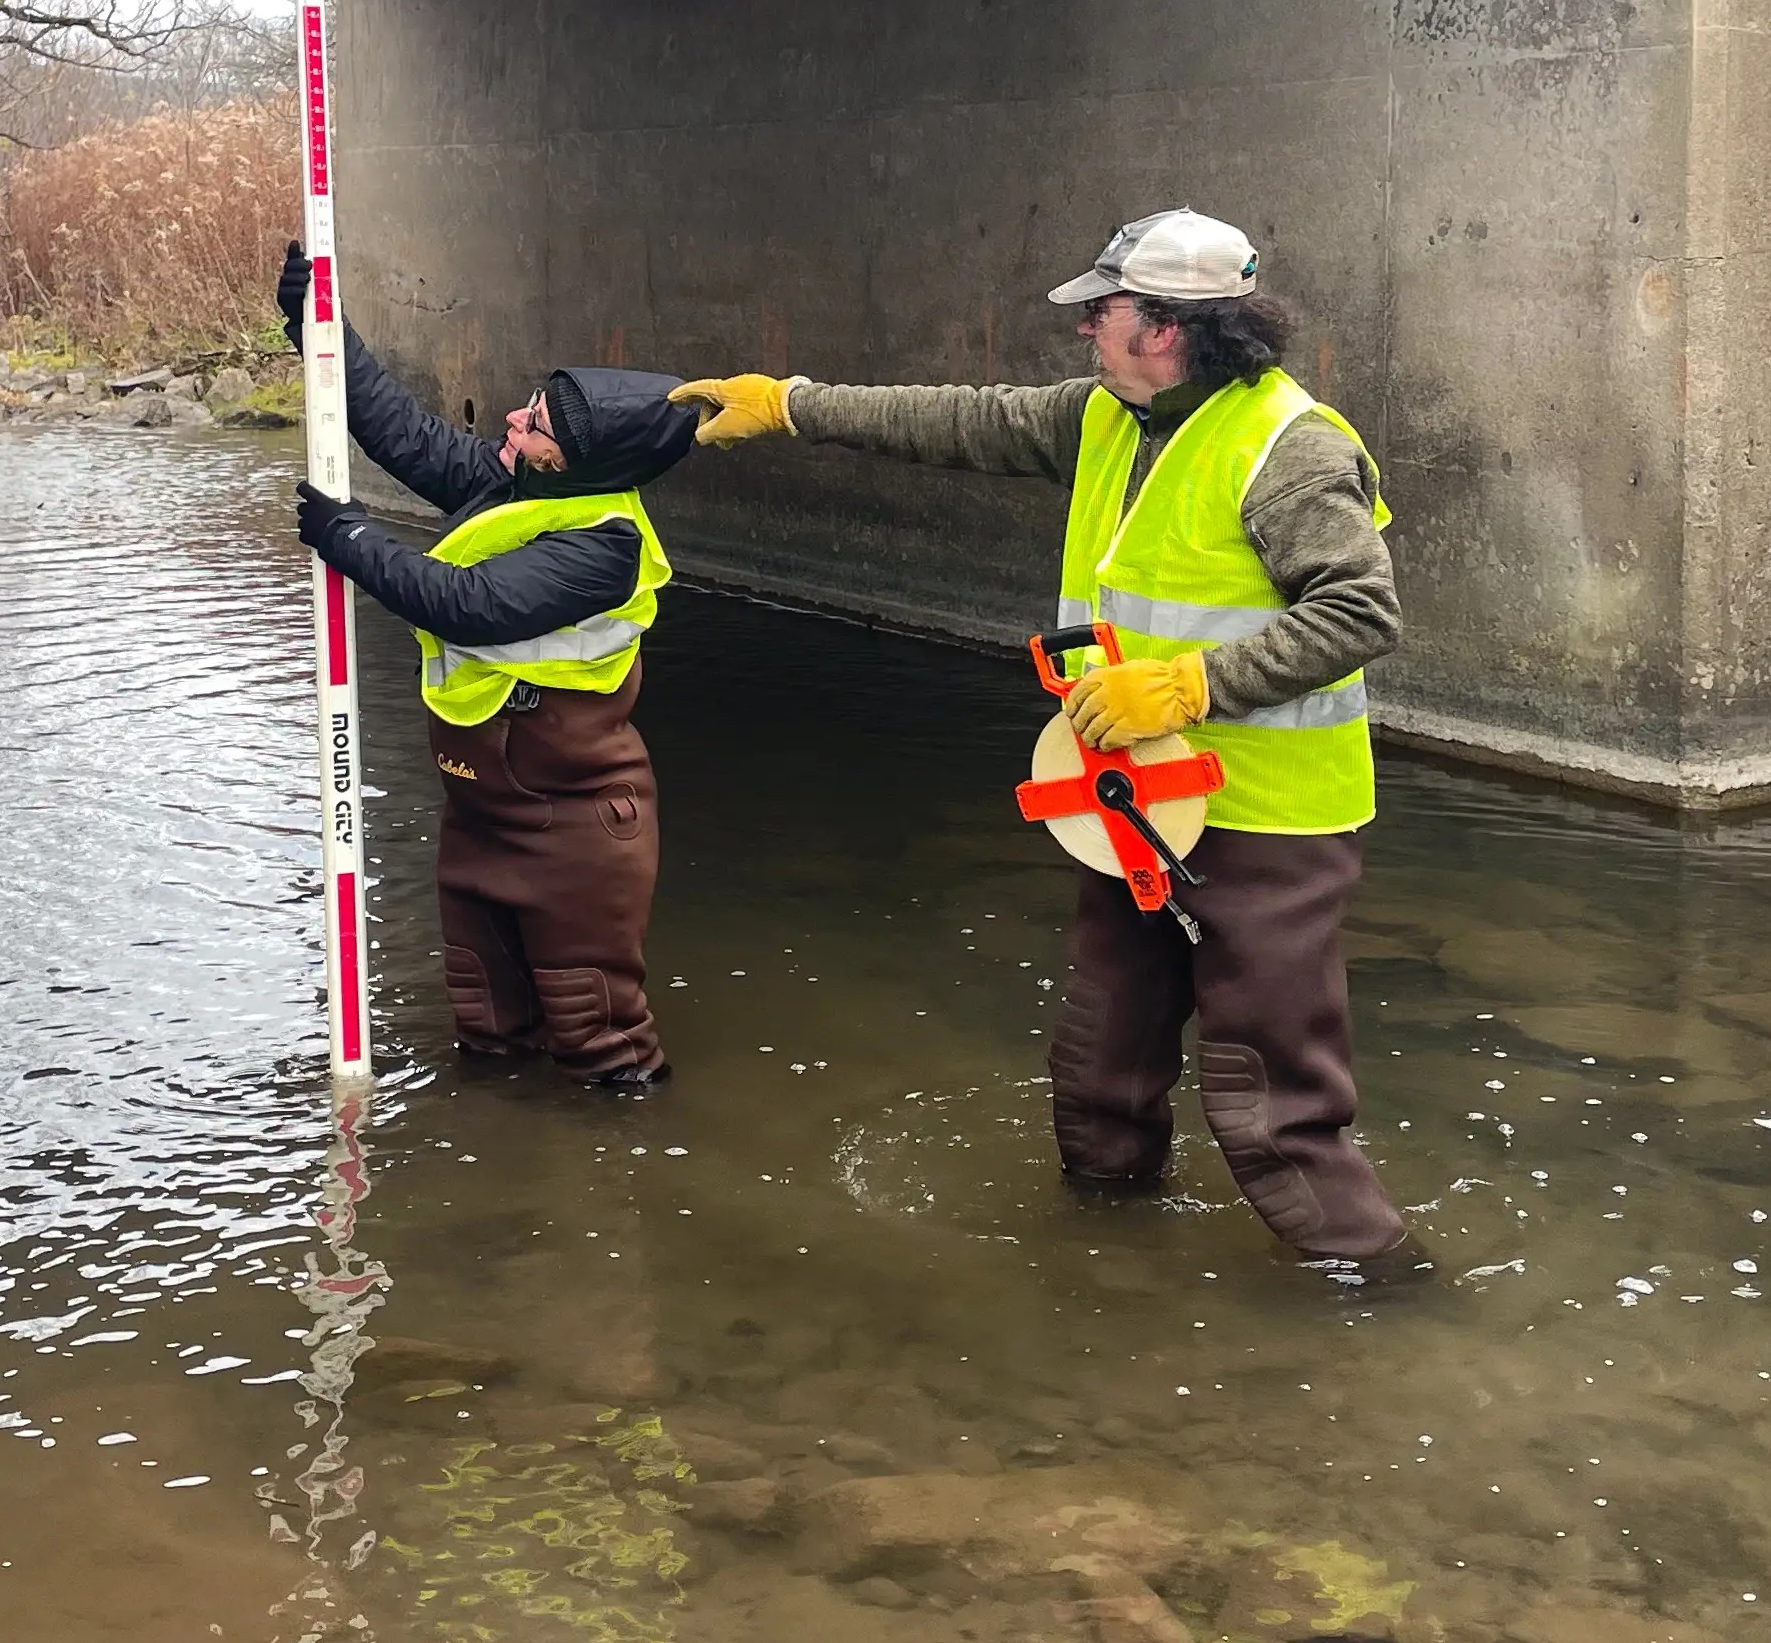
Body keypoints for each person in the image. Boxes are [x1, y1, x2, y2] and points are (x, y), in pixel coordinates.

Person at [680, 210, 1427, 1285]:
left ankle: (1392, 1304)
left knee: (1271, 1106)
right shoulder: (1109, 417)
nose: (1084, 328)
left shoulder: (1290, 448)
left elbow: (1361, 611)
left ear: (1166, 327)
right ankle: (1104, 1282)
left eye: (1102, 310)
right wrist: (790, 406)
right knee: (1097, 1070)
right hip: (1129, 808)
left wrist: (1189, 682)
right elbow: (954, 420)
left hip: (1267, 823)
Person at [278, 244, 700, 1098]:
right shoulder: (510, 488)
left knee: (602, 1047)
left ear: (577, 460)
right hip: (479, 817)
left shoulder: (605, 549)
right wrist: (317, 327)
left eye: (535, 423)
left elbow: (466, 604)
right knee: (488, 1033)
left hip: (573, 833)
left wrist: (350, 537)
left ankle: (625, 1197)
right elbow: (400, 429)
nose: (511, 419)